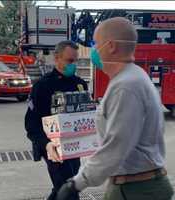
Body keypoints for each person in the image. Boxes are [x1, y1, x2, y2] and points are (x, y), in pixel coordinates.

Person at [55, 17, 174, 200]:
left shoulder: (126, 86)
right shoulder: (130, 78)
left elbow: (116, 146)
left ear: (110, 46)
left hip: (136, 190)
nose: (93, 49)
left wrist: (76, 183)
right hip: (132, 186)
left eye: (95, 43)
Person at [24, 40, 88, 200]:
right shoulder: (43, 86)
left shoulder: (80, 84)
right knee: (68, 188)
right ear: (56, 58)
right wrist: (47, 144)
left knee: (64, 187)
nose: (73, 65)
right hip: (53, 147)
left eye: (76, 61)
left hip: (74, 146)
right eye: (70, 61)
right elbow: (31, 124)